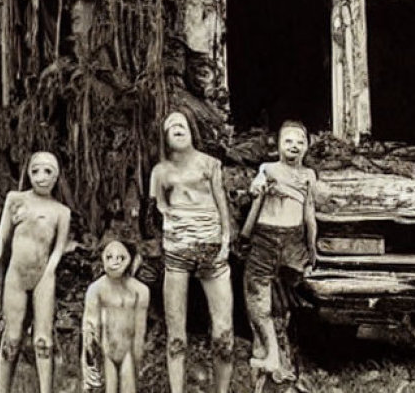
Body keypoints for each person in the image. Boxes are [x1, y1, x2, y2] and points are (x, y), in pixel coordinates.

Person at [149, 110, 233, 393]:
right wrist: (171, 230)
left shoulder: (210, 165)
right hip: (176, 252)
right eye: (170, 126)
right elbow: (157, 208)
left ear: (191, 130)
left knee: (223, 333)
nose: (176, 128)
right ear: (164, 137)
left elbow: (222, 204)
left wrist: (225, 240)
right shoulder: (160, 171)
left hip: (213, 250)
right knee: (176, 336)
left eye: (181, 124)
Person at [0, 151, 71, 393]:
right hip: (16, 277)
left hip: (44, 277)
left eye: (48, 171)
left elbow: (58, 248)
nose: (41, 177)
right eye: (35, 171)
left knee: (43, 340)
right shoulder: (15, 199)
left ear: (57, 175)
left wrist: (49, 272)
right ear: (28, 173)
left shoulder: (61, 212)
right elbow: (1, 238)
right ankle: (3, 389)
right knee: (11, 337)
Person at [241, 120, 318, 382]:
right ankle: (270, 354)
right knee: (257, 295)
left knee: (283, 301)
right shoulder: (269, 168)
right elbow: (257, 184)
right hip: (265, 237)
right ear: (278, 144)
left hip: (294, 243)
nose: (294, 146)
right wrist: (257, 186)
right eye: (288, 140)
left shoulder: (309, 175)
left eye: (300, 141)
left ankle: (282, 359)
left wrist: (312, 245)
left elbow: (309, 213)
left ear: (307, 146)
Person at [82, 238, 150, 393]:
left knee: (129, 386)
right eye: (109, 257)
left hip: (127, 352)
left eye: (120, 258)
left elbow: (140, 332)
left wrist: (137, 360)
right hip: (105, 350)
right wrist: (91, 365)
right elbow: (89, 328)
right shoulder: (96, 289)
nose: (115, 263)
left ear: (133, 260)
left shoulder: (140, 291)